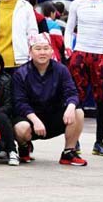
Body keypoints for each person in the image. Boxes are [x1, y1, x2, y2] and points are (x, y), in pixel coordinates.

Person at [64, 0, 103, 157]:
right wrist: (68, 48)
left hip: (101, 55)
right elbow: (69, 28)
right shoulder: (77, 4)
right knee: (75, 98)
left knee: (102, 100)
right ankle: (74, 140)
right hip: (80, 53)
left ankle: (99, 142)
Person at [13, 33, 87, 166]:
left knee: (78, 112)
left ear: (52, 50)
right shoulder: (21, 73)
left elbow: (72, 92)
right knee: (21, 128)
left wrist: (70, 107)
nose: (42, 52)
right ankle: (24, 147)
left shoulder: (61, 69)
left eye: (46, 48)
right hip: (31, 119)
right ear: (30, 51)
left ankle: (68, 152)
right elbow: (20, 102)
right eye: (38, 49)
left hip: (53, 116)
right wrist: (35, 120)